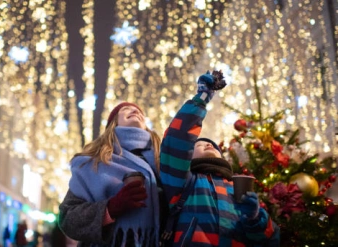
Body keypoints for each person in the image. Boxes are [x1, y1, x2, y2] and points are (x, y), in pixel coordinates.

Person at [160, 71, 280, 246]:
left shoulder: (236, 189)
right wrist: (201, 99)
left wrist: (255, 218)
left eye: (213, 146)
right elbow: (177, 138)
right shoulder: (183, 182)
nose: (208, 145)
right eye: (198, 145)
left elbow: (270, 239)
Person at [59, 102, 164, 246]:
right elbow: (68, 219)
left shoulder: (162, 162)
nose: (135, 110)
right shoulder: (94, 163)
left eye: (140, 112)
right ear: (113, 122)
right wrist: (110, 208)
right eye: (126, 109)